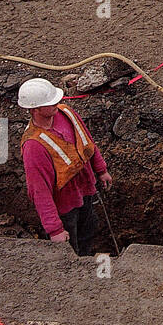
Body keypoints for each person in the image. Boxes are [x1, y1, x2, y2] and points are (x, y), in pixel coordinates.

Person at [18, 77, 112, 256]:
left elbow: (86, 141)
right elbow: (40, 191)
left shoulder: (66, 113)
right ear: (35, 108)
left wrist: (101, 169)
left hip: (85, 190)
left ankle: (87, 264)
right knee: (70, 250)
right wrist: (54, 229)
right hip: (64, 207)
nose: (57, 103)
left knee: (89, 232)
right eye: (51, 102)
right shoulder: (34, 146)